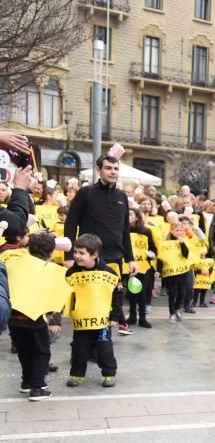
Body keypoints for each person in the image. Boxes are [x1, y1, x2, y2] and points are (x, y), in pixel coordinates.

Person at [64, 155, 136, 333]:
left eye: (116, 168)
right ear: (98, 170)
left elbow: (125, 230)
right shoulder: (86, 193)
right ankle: (84, 344)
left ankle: (103, 341)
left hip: (115, 258)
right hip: (90, 259)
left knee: (111, 302)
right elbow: (71, 223)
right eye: (108, 168)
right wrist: (68, 256)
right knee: (89, 303)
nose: (113, 172)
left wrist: (131, 258)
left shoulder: (122, 197)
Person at [6, 233, 64, 400]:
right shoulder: (52, 269)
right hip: (36, 317)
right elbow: (57, 297)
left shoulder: (15, 264)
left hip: (14, 317)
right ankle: (37, 388)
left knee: (24, 351)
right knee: (41, 352)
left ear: (29, 248)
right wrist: (55, 320)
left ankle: (26, 382)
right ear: (51, 252)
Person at [65, 234, 120, 388]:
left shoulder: (109, 272)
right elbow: (65, 295)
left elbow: (118, 294)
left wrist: (115, 316)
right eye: (75, 252)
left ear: (95, 254)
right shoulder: (71, 273)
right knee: (79, 349)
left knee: (104, 348)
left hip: (102, 321)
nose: (76, 256)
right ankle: (76, 375)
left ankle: (109, 374)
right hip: (81, 321)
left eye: (82, 253)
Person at [126, 207, 156, 329]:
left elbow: (153, 248)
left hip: (143, 266)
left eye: (130, 214)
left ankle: (142, 318)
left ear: (137, 217)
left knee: (142, 292)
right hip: (128, 266)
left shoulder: (146, 231)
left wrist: (152, 254)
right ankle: (132, 316)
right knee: (131, 291)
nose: (128, 216)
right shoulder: (123, 230)